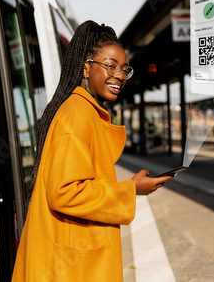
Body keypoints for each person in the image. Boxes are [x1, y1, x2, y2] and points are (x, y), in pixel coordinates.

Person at [12, 21, 172, 281]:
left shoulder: (82, 110)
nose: (119, 75)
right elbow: (65, 192)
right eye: (110, 66)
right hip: (70, 267)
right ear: (86, 67)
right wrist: (130, 189)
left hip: (74, 257)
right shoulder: (76, 116)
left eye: (124, 69)